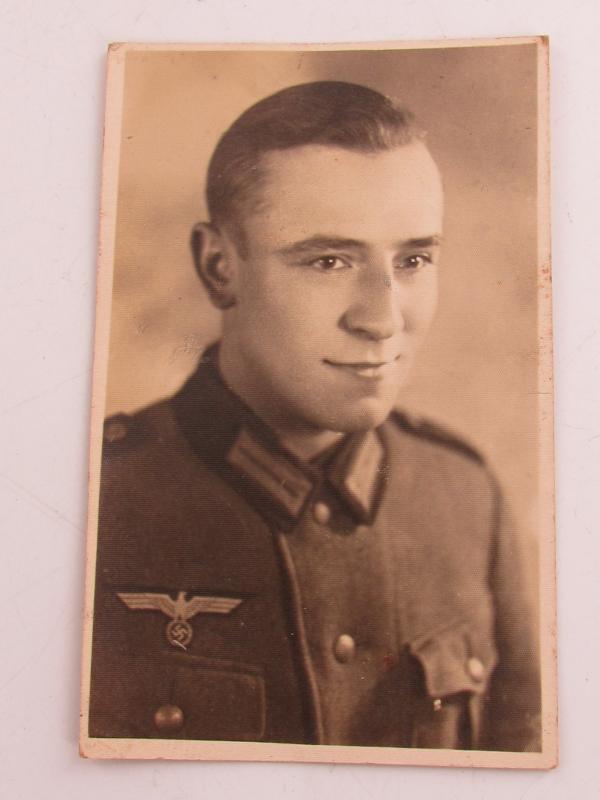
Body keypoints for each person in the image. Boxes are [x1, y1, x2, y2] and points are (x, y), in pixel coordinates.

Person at [87, 81, 540, 750]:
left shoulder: (467, 498)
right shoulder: (101, 495)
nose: (382, 318)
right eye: (329, 261)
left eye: (413, 259)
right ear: (219, 267)